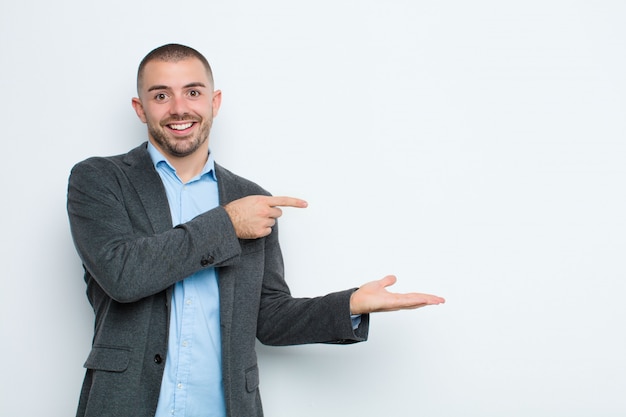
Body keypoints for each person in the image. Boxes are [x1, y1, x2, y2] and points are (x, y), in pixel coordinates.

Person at [67, 43, 445, 417]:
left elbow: (269, 318)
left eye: (193, 92)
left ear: (214, 103)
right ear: (140, 108)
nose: (179, 108)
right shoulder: (100, 180)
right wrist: (227, 224)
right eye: (161, 95)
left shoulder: (250, 199)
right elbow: (123, 275)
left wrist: (348, 306)